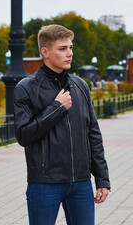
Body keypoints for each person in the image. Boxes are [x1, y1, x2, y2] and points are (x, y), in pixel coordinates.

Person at [14, 24, 110, 225]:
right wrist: (57, 107)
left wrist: (102, 179)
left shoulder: (80, 85)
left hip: (81, 183)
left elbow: (93, 134)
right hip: (44, 183)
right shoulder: (26, 88)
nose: (70, 54)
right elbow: (24, 135)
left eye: (71, 48)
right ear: (45, 52)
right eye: (62, 48)